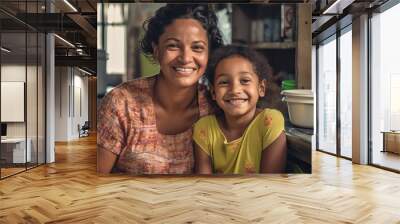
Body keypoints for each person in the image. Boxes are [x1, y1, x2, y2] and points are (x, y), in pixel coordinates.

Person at [97, 4, 223, 174]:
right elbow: (96, 181)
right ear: (156, 50)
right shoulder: (122, 102)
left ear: (208, 55)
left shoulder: (217, 107)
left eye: (197, 47)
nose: (185, 58)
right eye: (173, 46)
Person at [193, 45, 287, 174]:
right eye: (224, 82)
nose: (235, 90)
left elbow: (269, 184)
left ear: (261, 88)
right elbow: (203, 184)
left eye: (244, 80)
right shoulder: (204, 128)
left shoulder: (269, 122)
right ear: (213, 92)